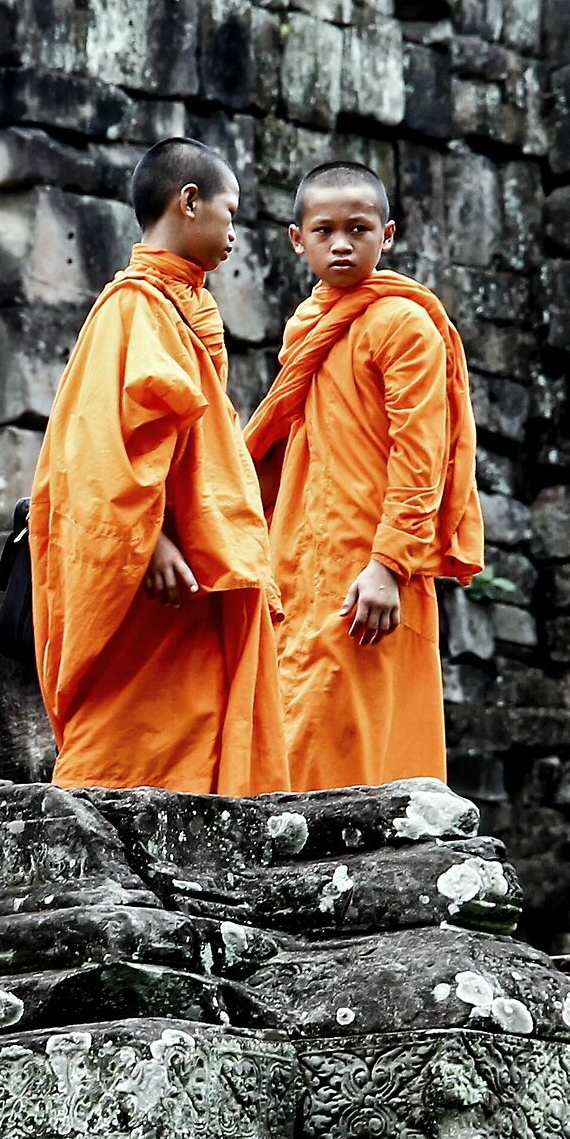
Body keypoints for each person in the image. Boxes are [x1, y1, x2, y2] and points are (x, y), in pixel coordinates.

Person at [26, 137, 286, 795]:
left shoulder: (179, 302)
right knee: (125, 729)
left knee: (194, 720)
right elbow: (98, 449)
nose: (235, 230)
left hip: (198, 566)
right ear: (189, 201)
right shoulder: (132, 308)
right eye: (230, 211)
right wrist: (154, 543)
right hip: (155, 568)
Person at [245, 161, 482, 789]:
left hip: (369, 567)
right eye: (324, 230)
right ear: (297, 239)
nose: (342, 243)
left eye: (360, 228)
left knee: (350, 732)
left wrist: (388, 565)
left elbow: (421, 452)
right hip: (298, 560)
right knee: (294, 723)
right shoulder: (308, 325)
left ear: (389, 235)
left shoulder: (400, 323)